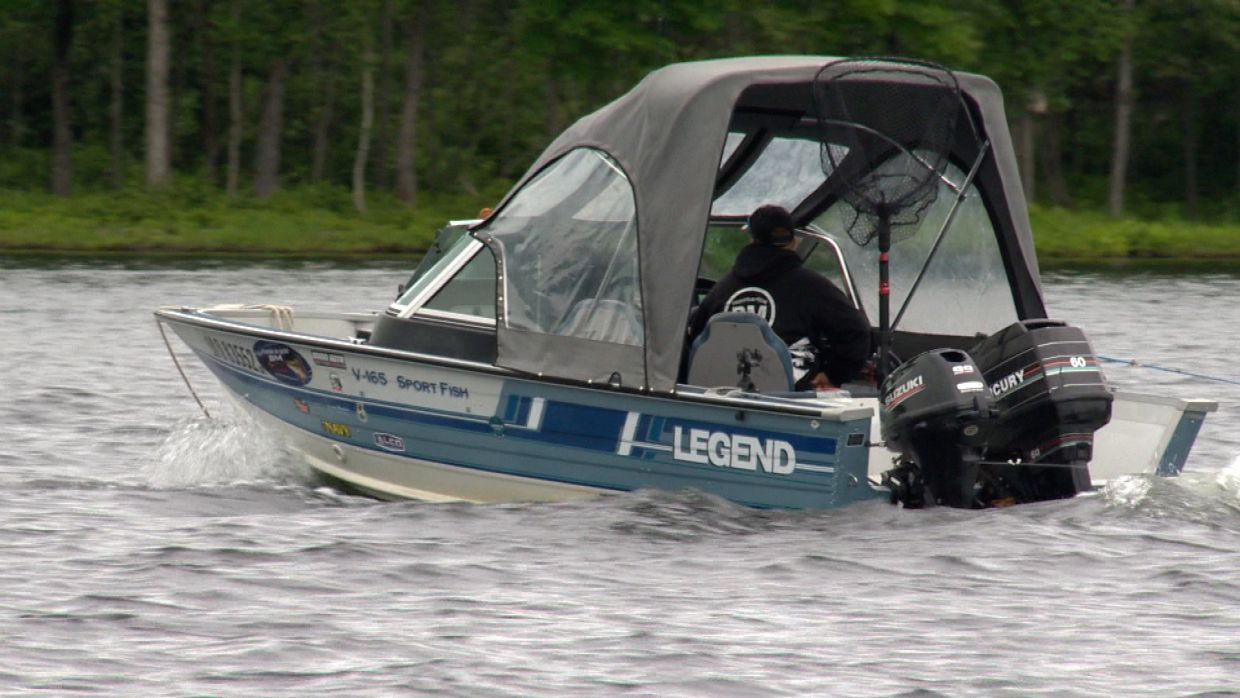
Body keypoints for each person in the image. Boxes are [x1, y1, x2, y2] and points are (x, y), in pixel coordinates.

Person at [688, 204, 870, 390]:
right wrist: (833, 375)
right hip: (790, 402)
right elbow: (857, 332)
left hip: (721, 397)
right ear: (793, 242)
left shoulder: (720, 291)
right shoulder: (813, 288)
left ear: (752, 240)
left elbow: (694, 341)